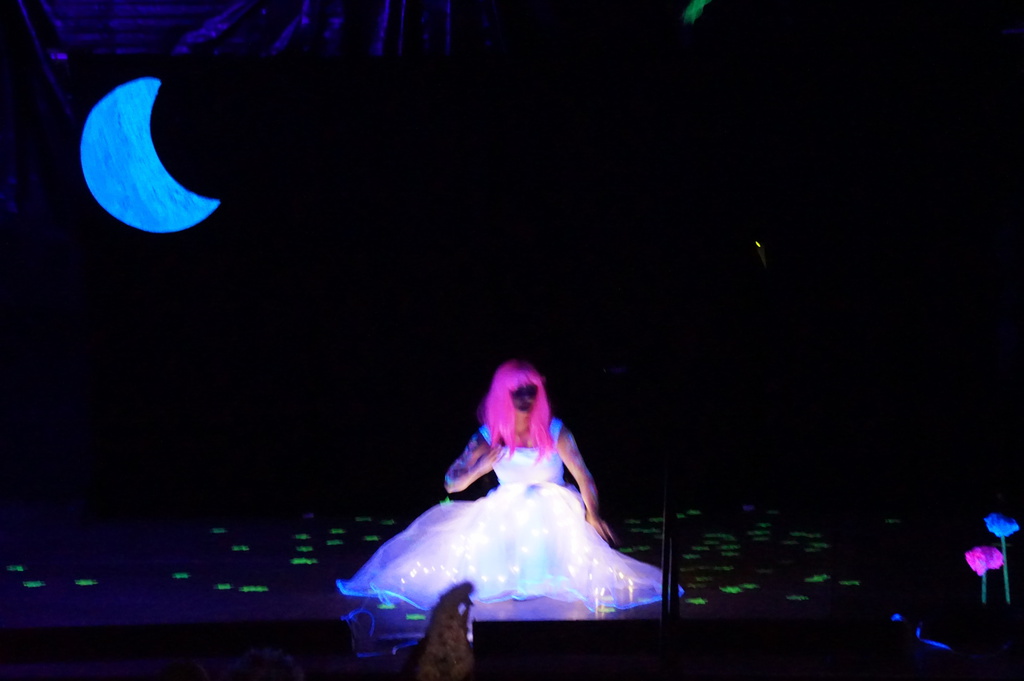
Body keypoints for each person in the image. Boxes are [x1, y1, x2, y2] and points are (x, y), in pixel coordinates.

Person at [336, 359, 673, 611]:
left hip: (554, 507)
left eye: (531, 390)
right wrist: (480, 468)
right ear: (504, 395)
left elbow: (583, 475)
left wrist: (593, 513)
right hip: (506, 508)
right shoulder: (489, 436)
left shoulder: (555, 431)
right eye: (517, 392)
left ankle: (544, 576)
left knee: (540, 511)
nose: (525, 398)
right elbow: (452, 484)